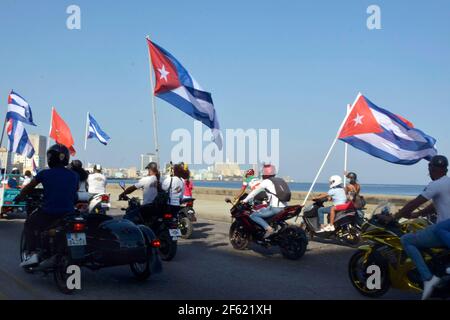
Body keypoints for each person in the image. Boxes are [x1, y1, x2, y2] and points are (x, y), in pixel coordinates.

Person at [380, 155, 450, 300]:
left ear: (432, 168)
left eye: (429, 168)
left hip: (443, 230)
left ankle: (427, 277)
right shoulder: (447, 183)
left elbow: (415, 202)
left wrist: (395, 216)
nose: (429, 171)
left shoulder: (435, 184)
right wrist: (417, 215)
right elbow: (435, 205)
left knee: (407, 240)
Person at [15, 144, 79, 267]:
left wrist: (20, 196)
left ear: (51, 158)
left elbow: (29, 187)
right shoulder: (74, 175)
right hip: (69, 213)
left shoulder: (44, 174)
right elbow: (73, 191)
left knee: (30, 223)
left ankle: (32, 253)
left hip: (50, 212)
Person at [242, 164, 289, 238]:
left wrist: (245, 200)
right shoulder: (280, 180)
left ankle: (268, 229)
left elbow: (254, 192)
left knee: (253, 215)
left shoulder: (266, 181)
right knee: (264, 209)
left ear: (264, 174)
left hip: (275, 208)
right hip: (285, 207)